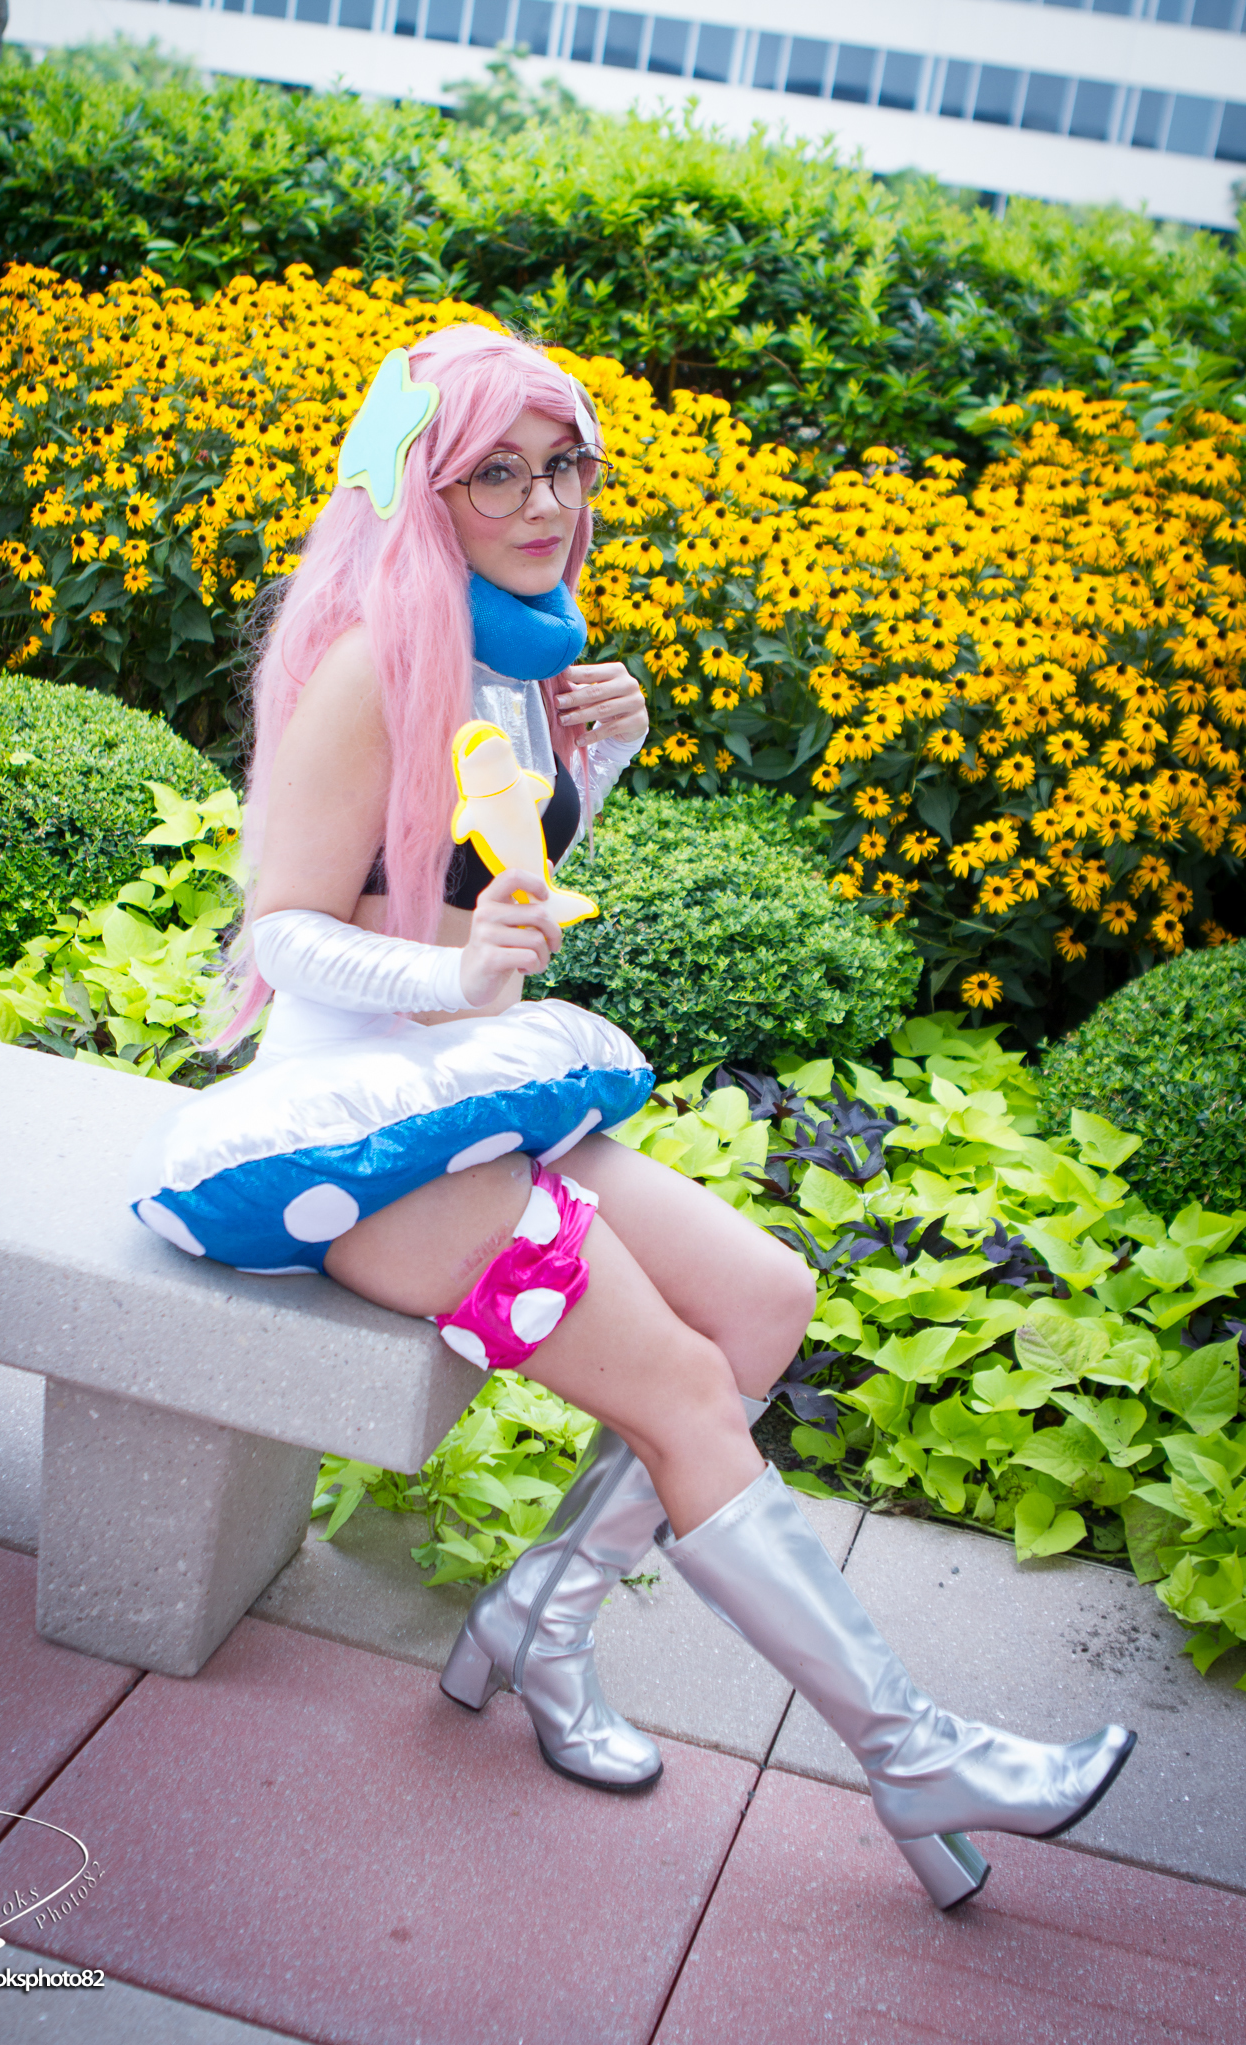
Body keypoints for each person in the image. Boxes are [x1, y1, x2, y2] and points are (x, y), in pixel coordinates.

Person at [131, 326, 1135, 1912]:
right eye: (497, 474)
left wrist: (601, 752)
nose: (545, 504)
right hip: (364, 1145)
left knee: (764, 1300)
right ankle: (913, 1752)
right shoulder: (367, 669)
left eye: (565, 465)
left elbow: (502, 873)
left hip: (475, 1099)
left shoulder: (522, 664)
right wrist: (458, 974)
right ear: (421, 493)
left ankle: (539, 1621)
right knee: (678, 1389)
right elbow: (289, 928)